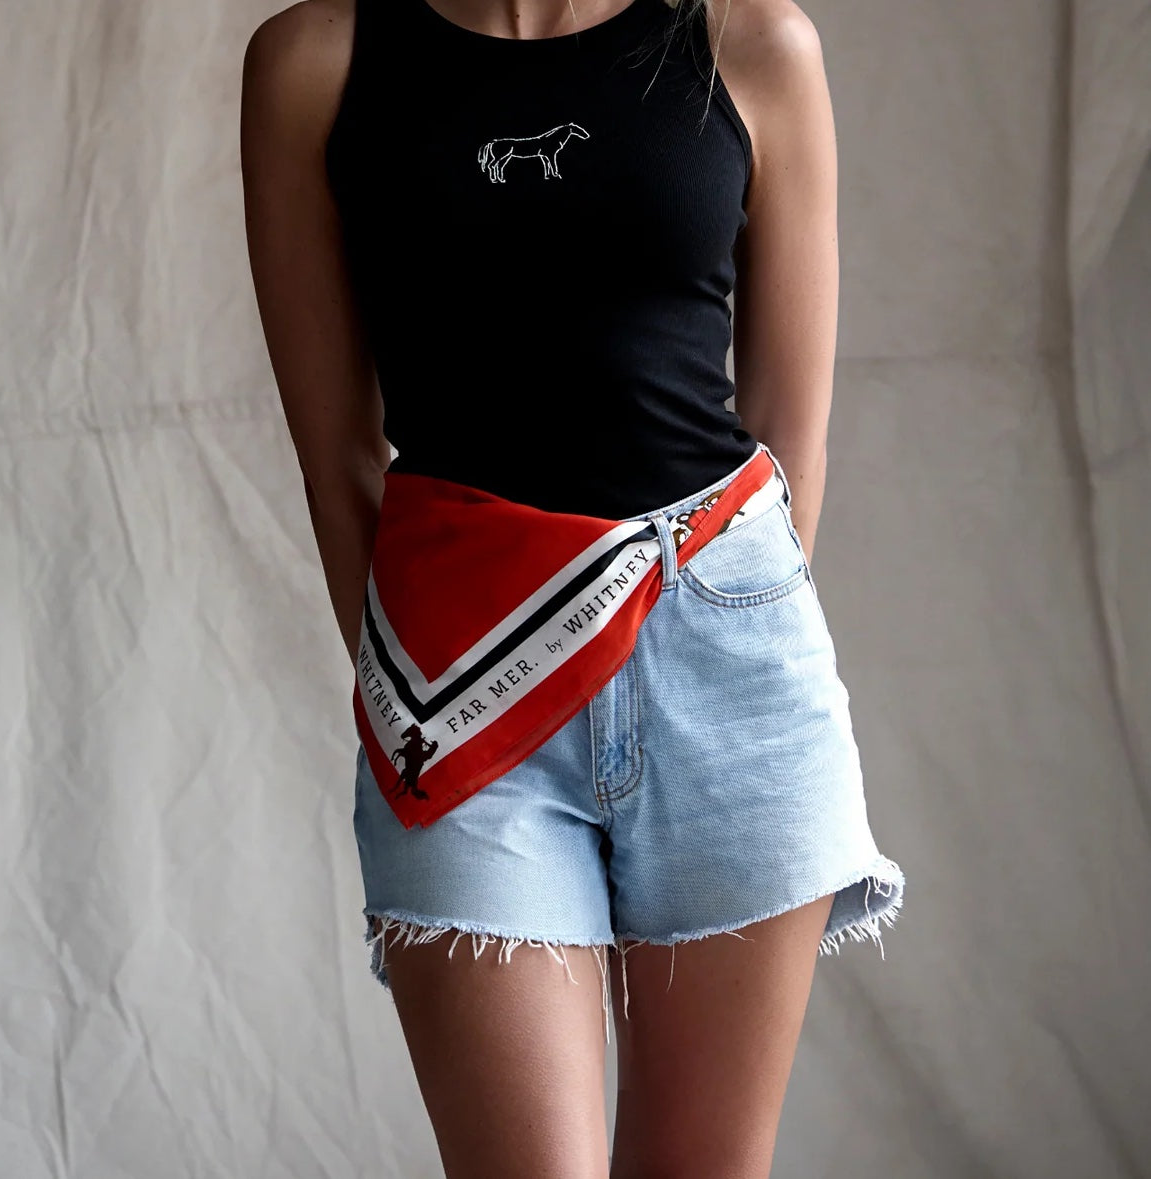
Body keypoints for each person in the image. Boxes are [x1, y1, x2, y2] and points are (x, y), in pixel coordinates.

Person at [240, 0, 905, 1174]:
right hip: (461, 676)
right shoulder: (316, 63)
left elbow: (787, 431)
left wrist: (706, 619)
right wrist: (425, 698)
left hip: (731, 671)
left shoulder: (749, 43)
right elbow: (337, 457)